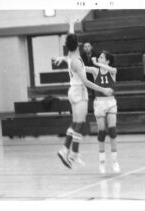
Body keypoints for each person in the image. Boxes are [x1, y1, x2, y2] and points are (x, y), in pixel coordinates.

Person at [54, 17, 114, 169]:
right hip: (79, 91)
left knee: (76, 122)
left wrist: (71, 25)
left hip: (73, 91)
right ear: (78, 45)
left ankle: (68, 151)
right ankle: (70, 152)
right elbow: (86, 82)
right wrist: (103, 89)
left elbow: (71, 40)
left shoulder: (71, 55)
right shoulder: (76, 60)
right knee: (79, 124)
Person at [85, 51, 120, 174]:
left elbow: (110, 69)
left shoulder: (112, 71)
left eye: (101, 57)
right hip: (99, 103)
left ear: (107, 61)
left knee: (112, 130)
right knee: (102, 131)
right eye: (99, 57)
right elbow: (82, 68)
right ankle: (102, 162)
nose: (99, 58)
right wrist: (70, 61)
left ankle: (115, 161)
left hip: (111, 103)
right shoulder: (95, 71)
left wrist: (96, 63)